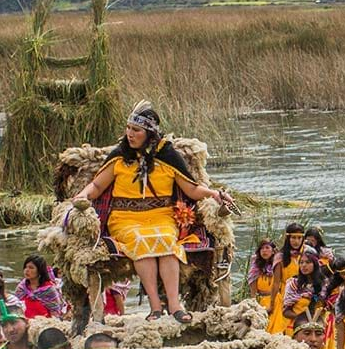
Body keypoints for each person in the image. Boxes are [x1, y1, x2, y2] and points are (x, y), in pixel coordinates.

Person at [69, 101, 236, 323]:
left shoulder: (168, 156)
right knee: (140, 242)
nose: (130, 134)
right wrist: (83, 195)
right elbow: (98, 186)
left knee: (167, 241)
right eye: (128, 128)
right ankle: (155, 307)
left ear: (149, 133)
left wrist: (214, 194)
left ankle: (175, 306)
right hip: (125, 218)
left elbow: (191, 189)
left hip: (161, 216)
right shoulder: (120, 155)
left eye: (136, 130)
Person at [278, 248, 335, 343]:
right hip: (297, 327)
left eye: (308, 262)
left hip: (320, 327)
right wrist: (304, 320)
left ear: (315, 264)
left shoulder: (325, 283)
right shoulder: (294, 284)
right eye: (301, 262)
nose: (304, 265)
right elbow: (285, 311)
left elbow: (329, 306)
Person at [247, 239, 281, 320]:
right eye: (262, 248)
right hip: (261, 300)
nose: (264, 251)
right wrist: (254, 304)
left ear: (273, 251)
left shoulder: (278, 265)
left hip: (276, 300)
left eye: (267, 248)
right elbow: (253, 289)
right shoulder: (255, 267)